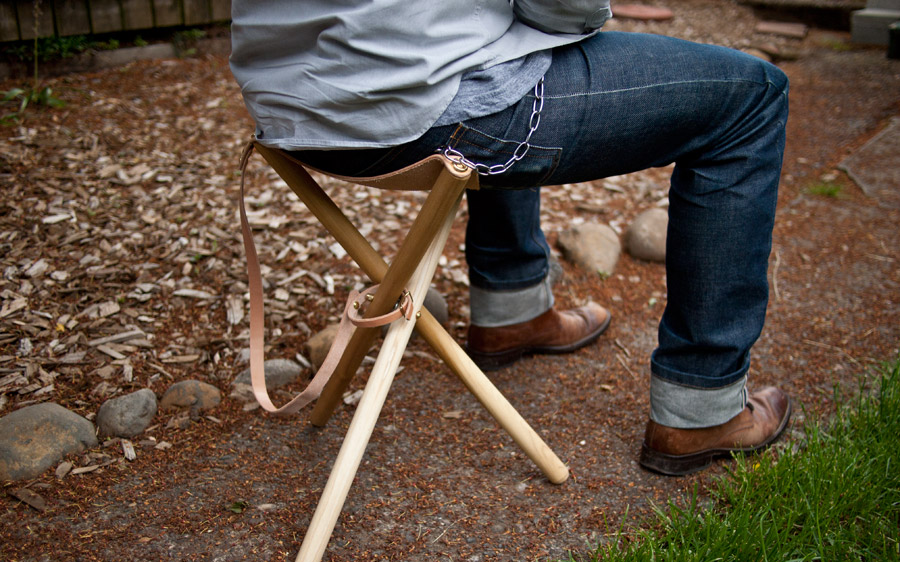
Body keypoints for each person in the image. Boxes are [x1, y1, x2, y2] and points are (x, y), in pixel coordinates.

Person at [229, 0, 792, 476]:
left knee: (502, 46)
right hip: (421, 103)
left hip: (292, 110)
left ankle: (512, 309)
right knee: (754, 96)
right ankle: (702, 406)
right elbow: (566, 8)